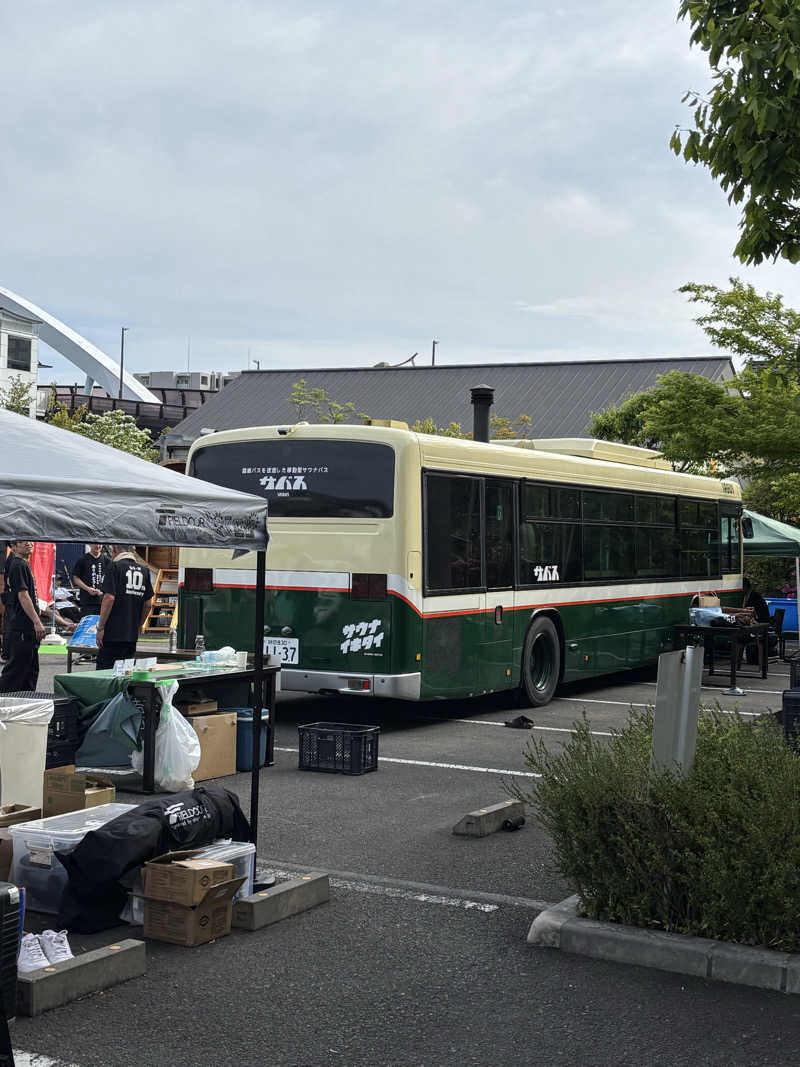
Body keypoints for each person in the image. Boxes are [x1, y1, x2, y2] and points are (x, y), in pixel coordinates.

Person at [95, 545, 153, 671]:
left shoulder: (114, 567)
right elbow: (148, 604)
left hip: (112, 633)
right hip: (131, 634)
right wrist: (138, 624)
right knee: (125, 674)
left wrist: (100, 627)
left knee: (105, 675)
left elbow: (109, 598)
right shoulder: (145, 571)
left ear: (114, 549)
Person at [0, 540, 45, 692]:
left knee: (29, 673)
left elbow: (31, 598)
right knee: (15, 674)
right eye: (22, 541)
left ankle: (26, 706)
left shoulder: (19, 564)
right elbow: (23, 595)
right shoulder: (18, 564)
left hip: (22, 627)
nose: (28, 543)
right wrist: (37, 622)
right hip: (21, 628)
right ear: (13, 546)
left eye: (30, 540)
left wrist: (62, 622)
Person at [71, 544, 107, 619]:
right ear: (90, 544)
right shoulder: (83, 560)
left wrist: (103, 591)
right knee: (87, 625)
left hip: (102, 601)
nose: (97, 546)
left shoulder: (106, 560)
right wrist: (88, 589)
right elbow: (75, 578)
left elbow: (111, 579)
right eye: (95, 544)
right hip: (87, 601)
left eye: (99, 544)